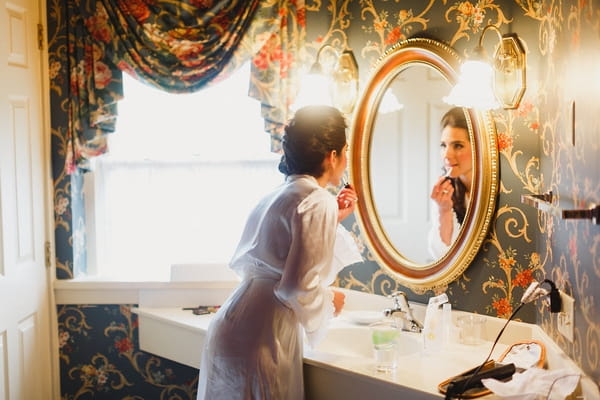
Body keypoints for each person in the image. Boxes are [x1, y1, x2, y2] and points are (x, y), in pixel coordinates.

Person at [196, 105, 358, 400]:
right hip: (264, 335)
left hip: (232, 325)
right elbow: (295, 288)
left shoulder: (278, 195)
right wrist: (328, 300)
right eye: (345, 151)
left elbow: (280, 255)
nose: (346, 161)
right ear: (332, 155)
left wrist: (333, 218)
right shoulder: (317, 199)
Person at [428, 107, 472, 259]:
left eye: (458, 146)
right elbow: (442, 257)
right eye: (443, 146)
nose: (447, 154)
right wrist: (444, 210)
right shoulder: (445, 196)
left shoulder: (500, 190)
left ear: (478, 147)